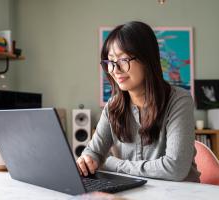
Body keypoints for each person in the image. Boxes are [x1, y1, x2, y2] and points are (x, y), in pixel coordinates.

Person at [76, 21, 200, 182]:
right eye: (110, 61)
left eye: (123, 60)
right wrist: (86, 160)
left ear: (147, 59)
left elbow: (175, 168)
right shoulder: (112, 106)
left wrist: (112, 164)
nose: (114, 70)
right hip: (136, 192)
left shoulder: (178, 101)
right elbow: (94, 152)